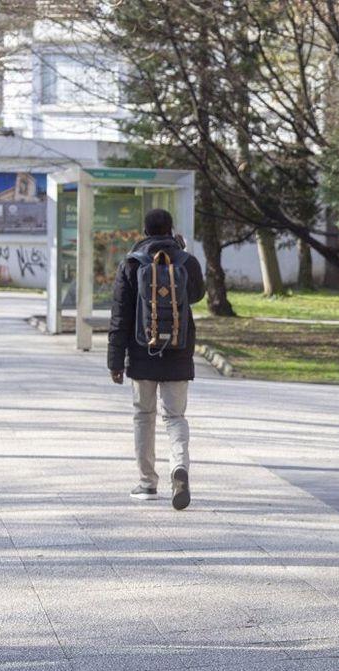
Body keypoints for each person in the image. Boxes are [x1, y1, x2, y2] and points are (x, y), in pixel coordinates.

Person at [107, 209, 205, 510]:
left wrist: (115, 360)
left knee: (144, 416)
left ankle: (148, 483)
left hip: (141, 351)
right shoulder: (186, 261)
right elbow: (198, 294)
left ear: (145, 230)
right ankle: (180, 467)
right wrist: (183, 251)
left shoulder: (132, 262)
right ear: (170, 228)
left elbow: (120, 315)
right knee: (175, 417)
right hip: (178, 351)